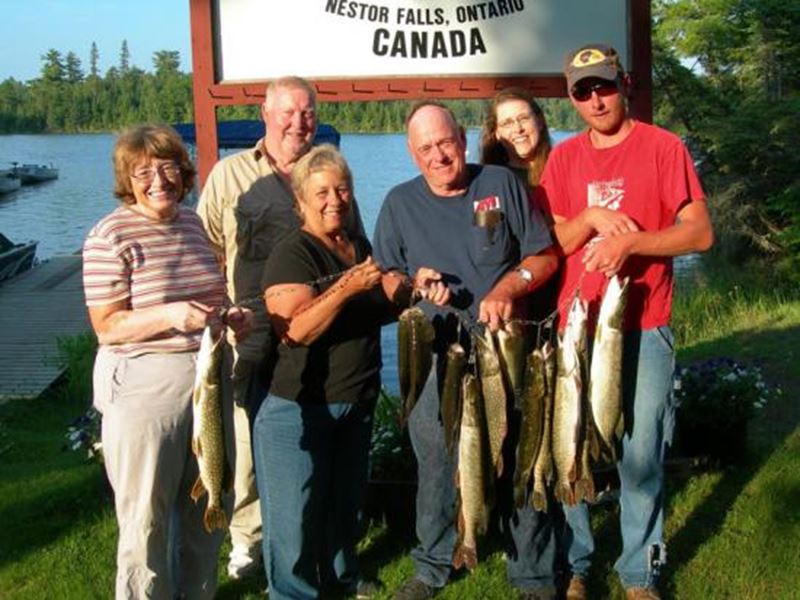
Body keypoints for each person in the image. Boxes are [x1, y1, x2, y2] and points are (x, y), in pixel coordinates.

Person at [534, 44, 714, 600]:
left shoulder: (664, 148)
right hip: (575, 330)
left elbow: (700, 234)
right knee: (574, 443)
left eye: (604, 86)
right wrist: (589, 221)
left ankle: (638, 573)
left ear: (625, 83)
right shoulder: (562, 160)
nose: (595, 99)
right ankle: (579, 564)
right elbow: (552, 242)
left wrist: (634, 242)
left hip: (646, 325)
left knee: (641, 453)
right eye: (582, 91)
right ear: (572, 97)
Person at [373, 101, 560, 600]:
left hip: (503, 349)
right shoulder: (397, 203)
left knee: (519, 449)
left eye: (445, 142)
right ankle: (432, 563)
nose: (439, 155)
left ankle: (534, 574)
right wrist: (413, 282)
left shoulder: (500, 184)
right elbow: (386, 278)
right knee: (435, 460)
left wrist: (508, 288)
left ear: (461, 138)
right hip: (435, 356)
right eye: (426, 148)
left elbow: (543, 257)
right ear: (413, 155)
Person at [196, 76, 364, 579]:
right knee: (246, 443)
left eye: (308, 112)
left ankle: (313, 538)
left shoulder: (329, 174)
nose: (298, 122)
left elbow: (353, 244)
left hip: (317, 329)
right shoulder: (229, 176)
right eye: (288, 112)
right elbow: (207, 251)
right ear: (266, 114)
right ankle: (248, 539)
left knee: (311, 433)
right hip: (252, 333)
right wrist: (218, 316)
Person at [83, 124, 252, 599]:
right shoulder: (109, 234)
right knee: (145, 520)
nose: (159, 180)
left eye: (168, 167)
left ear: (184, 172)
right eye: (144, 172)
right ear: (127, 179)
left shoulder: (193, 224)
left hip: (205, 380)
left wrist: (229, 317)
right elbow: (108, 325)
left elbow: (208, 301)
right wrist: (170, 315)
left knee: (207, 510)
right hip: (143, 387)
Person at [254, 144, 411, 599]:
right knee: (295, 519)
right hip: (300, 409)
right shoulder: (292, 253)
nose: (334, 200)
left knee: (345, 506)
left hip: (355, 400)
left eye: (342, 189)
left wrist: (408, 290)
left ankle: (343, 578)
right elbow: (296, 330)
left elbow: (378, 308)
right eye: (321, 192)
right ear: (300, 201)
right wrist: (347, 287)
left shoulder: (357, 245)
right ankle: (293, 593)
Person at [480, 87, 558, 322]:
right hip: (514, 302)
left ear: (540, 121)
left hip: (565, 297)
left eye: (524, 118)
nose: (518, 129)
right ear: (495, 133)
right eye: (507, 123)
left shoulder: (563, 167)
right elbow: (487, 236)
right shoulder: (487, 183)